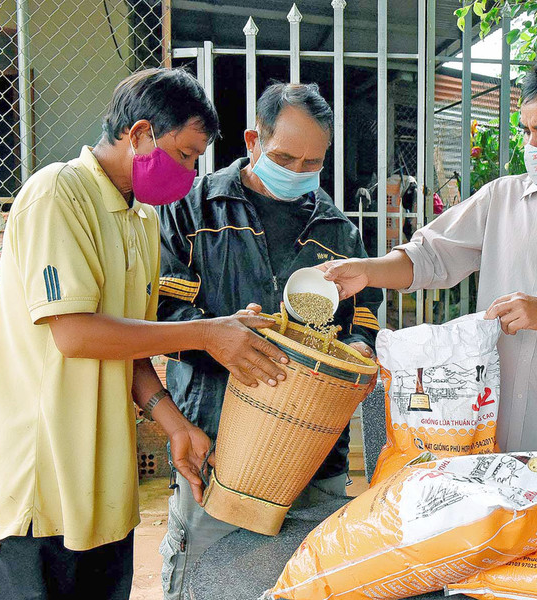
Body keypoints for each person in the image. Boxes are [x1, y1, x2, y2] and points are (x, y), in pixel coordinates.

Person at [0, 68, 288, 599]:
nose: (190, 174)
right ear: (140, 133)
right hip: (38, 497)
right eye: (185, 154)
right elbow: (76, 335)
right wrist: (207, 333)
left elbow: (130, 346)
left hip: (104, 497)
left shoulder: (141, 219)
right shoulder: (58, 193)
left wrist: (174, 427)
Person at [324, 56, 537, 453]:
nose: (532, 146)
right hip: (481, 442)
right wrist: (367, 271)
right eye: (526, 131)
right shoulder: (501, 198)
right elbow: (430, 255)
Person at [155, 82, 382, 600]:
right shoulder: (194, 211)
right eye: (285, 157)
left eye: (312, 163)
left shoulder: (337, 230)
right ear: (253, 139)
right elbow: (162, 310)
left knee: (307, 582)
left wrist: (363, 346)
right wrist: (216, 338)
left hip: (315, 454)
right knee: (206, 581)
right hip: (216, 446)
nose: (299, 172)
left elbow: (363, 316)